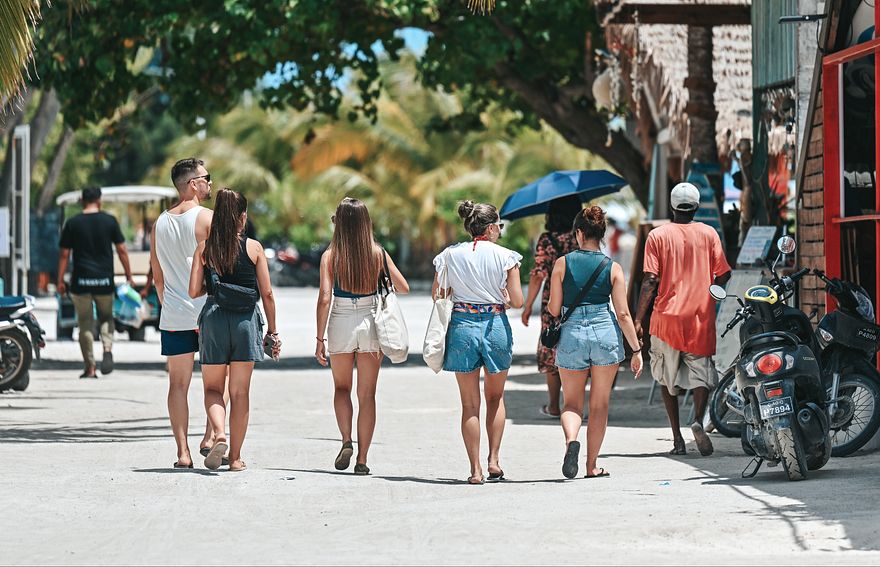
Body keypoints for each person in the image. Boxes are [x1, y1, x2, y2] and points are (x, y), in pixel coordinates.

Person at [634, 182, 732, 456]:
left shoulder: (657, 236)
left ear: (672, 206)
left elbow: (650, 280)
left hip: (666, 321)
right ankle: (698, 420)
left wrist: (638, 319)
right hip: (700, 318)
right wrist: (710, 292)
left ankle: (677, 439)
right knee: (701, 377)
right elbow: (724, 273)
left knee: (666, 380)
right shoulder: (709, 234)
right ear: (696, 207)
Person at [314, 197, 409, 476]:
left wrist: (319, 339)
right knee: (367, 395)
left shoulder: (330, 256)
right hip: (371, 319)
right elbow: (403, 286)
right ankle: (363, 459)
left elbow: (324, 298)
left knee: (342, 388)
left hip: (341, 320)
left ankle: (346, 440)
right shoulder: (377, 253)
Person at [548, 206, 643, 479]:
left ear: (579, 233)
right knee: (599, 405)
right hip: (604, 333)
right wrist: (636, 350)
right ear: (602, 234)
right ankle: (591, 466)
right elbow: (623, 314)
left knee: (571, 404)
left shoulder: (562, 264)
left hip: (572, 335)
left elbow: (554, 309)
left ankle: (571, 441)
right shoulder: (613, 267)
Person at [433, 200, 524, 485]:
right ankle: (494, 460)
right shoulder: (507, 257)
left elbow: (438, 293)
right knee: (495, 398)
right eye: (500, 225)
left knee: (469, 404)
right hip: (495, 325)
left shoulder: (449, 255)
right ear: (492, 228)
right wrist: (503, 298)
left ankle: (475, 470)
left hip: (462, 326)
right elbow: (518, 300)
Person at [190, 189, 279, 471]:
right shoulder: (254, 248)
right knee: (240, 392)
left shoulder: (205, 248)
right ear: (242, 217)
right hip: (245, 321)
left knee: (213, 388)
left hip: (215, 318)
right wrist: (273, 331)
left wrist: (214, 287)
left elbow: (193, 291)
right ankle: (236, 458)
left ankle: (218, 434)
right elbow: (267, 294)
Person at [150, 158, 219, 468]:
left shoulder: (159, 224)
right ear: (193, 183)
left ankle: (183, 453)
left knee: (177, 385)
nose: (210, 183)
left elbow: (157, 276)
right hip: (208, 312)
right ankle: (210, 437)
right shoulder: (207, 218)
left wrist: (170, 305)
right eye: (206, 177)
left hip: (174, 314)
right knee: (215, 382)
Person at [57, 187, 134, 378]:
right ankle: (107, 348)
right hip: (104, 280)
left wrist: (60, 280)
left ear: (82, 201)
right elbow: (122, 250)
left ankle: (90, 367)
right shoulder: (109, 221)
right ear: (99, 201)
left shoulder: (72, 223)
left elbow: (64, 254)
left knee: (84, 323)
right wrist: (128, 275)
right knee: (106, 317)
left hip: (80, 281)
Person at [521, 195, 581, 418]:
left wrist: (528, 306)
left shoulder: (547, 240)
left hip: (552, 299)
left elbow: (538, 274)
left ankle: (554, 405)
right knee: (578, 346)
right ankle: (575, 405)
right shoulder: (581, 237)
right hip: (579, 298)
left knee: (551, 345)